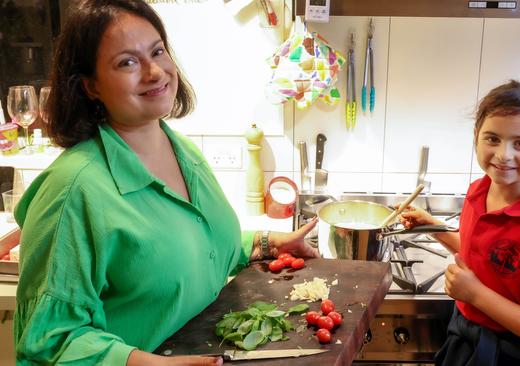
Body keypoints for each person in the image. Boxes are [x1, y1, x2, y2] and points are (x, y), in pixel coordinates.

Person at [12, 0, 318, 365]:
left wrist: (265, 243)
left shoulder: (182, 151)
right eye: (127, 62)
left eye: (157, 51)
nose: (155, 71)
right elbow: (47, 343)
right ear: (90, 86)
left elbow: (186, 249)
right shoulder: (72, 192)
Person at [400, 80, 520, 365]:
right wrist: (433, 227)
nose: (504, 155)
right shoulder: (479, 191)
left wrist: (475, 294)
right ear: (476, 136)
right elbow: (488, 257)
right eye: (492, 139)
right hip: (473, 339)